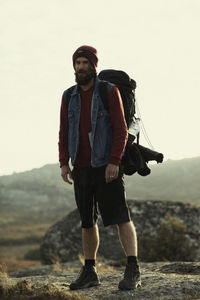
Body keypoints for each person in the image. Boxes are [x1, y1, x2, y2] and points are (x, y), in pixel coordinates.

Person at [58, 45, 141, 291]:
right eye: (77, 63)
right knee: (87, 221)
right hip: (81, 168)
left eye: (85, 63)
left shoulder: (108, 91)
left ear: (93, 65)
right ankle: (90, 270)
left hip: (106, 166)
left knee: (120, 218)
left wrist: (114, 161)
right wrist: (64, 162)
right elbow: (64, 131)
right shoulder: (68, 95)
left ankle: (133, 268)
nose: (81, 67)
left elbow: (120, 130)